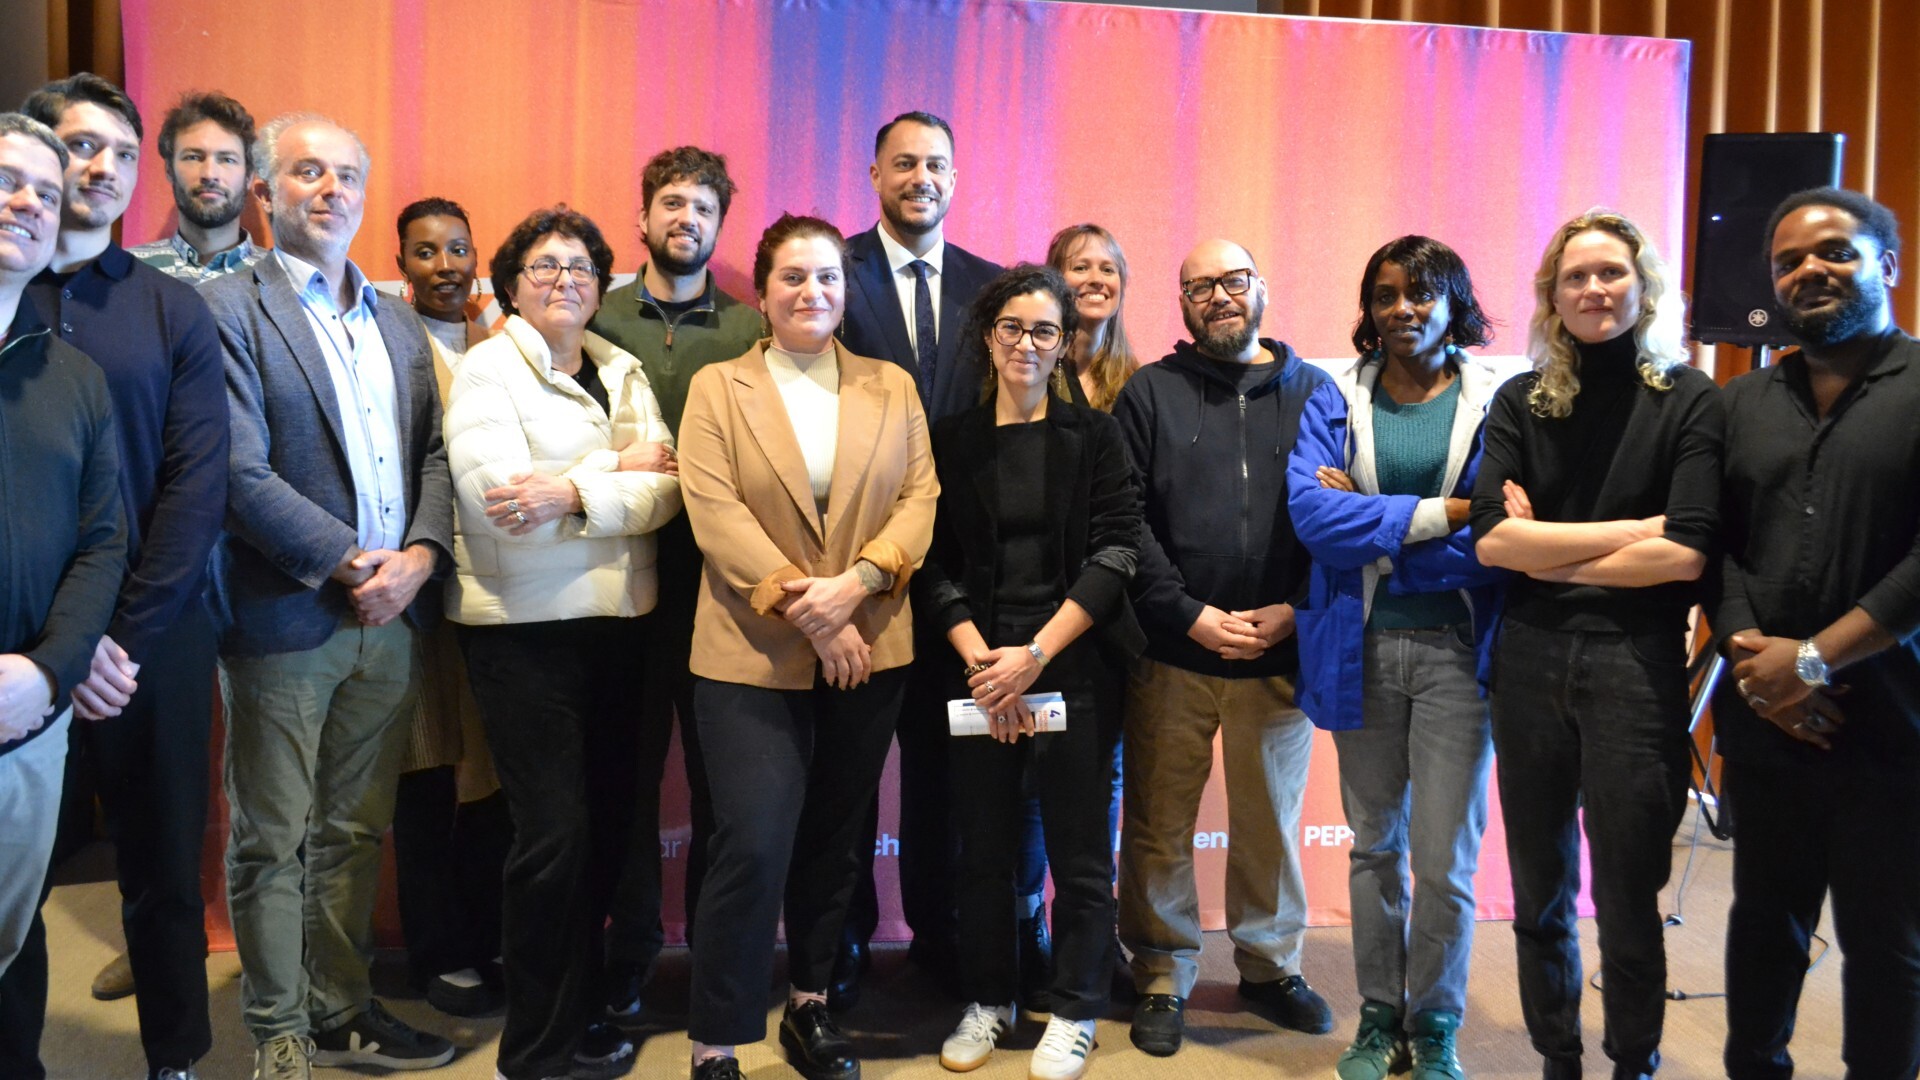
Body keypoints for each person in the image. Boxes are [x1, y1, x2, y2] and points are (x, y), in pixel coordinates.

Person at [200, 111, 456, 1080]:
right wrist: (357, 562)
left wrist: (422, 556)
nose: (331, 189)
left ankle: (342, 1006)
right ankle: (278, 1031)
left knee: (353, 830)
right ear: (266, 192)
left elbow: (435, 448)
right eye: (307, 172)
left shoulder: (393, 317)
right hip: (286, 616)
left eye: (347, 174)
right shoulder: (229, 309)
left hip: (391, 620)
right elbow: (237, 469)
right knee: (273, 839)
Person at [0, 74, 228, 1080]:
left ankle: (175, 1058)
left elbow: (194, 484)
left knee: (164, 871)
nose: (100, 169)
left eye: (122, 154)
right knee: (21, 884)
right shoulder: (12, 299)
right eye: (80, 148)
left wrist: (111, 641)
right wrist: (55, 654)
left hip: (149, 645)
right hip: (22, 652)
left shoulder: (171, 308)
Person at [678, 213, 937, 1080]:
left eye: (827, 276)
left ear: (846, 287)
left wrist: (856, 586)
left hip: (871, 641)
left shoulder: (890, 387)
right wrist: (814, 613)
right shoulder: (719, 387)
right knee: (752, 840)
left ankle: (811, 1002)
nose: (811, 292)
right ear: (763, 290)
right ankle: (718, 1035)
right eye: (792, 276)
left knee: (835, 837)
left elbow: (918, 500)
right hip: (752, 650)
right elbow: (715, 514)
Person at [1470, 209, 1723, 1080]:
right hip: (1530, 661)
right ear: (1552, 296)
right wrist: (1629, 534)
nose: (1594, 290)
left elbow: (1686, 552)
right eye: (1575, 277)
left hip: (1635, 667)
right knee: (1540, 891)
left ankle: (1633, 1059)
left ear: (1643, 285)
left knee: (1626, 894)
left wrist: (1557, 549)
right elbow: (1496, 544)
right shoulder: (1521, 400)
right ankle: (1559, 1055)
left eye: (1611, 272)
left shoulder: (1690, 399)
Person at [445, 203, 680, 1080]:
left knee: (608, 836)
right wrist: (614, 475)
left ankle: (583, 1016)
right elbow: (500, 505)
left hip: (623, 633)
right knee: (553, 840)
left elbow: (670, 491)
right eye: (544, 267)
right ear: (510, 285)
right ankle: (536, 1049)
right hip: (525, 638)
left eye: (581, 267)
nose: (565, 281)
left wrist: (575, 491)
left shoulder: (620, 369)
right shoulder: (485, 374)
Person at [1713, 187, 1920, 1079]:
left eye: (1834, 252)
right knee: (1763, 924)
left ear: (1888, 265)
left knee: (1891, 944)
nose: (1809, 271)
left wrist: (1812, 660)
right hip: (1765, 719)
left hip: (1896, 722)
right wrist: (1757, 666)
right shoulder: (1741, 400)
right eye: (1789, 261)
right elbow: (1712, 546)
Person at [1287, 236, 1506, 1079]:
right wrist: (1440, 511)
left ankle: (1438, 1019)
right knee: (1375, 846)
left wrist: (1376, 522)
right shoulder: (1332, 397)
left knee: (1446, 857)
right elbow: (1313, 521)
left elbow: (1492, 537)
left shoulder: (1496, 400)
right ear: (1368, 308)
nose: (1402, 309)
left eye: (1421, 293)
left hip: (1459, 652)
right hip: (1362, 649)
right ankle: (1379, 1015)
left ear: (1454, 302)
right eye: (1385, 294)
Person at [921, 264, 1143, 1080]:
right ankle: (990, 998)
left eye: (1044, 331)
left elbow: (1116, 553)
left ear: (1065, 346)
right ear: (989, 337)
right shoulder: (952, 439)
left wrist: (1035, 657)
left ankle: (1076, 1007)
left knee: (1082, 856)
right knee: (982, 850)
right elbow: (929, 564)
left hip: (1071, 666)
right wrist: (983, 660)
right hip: (977, 669)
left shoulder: (1098, 438)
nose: (1026, 343)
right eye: (1012, 327)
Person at [1114, 238, 1335, 1057]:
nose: (1218, 296)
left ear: (1261, 289)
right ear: (1181, 305)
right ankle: (1163, 973)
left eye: (1232, 280)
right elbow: (1126, 520)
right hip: (1175, 650)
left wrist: (1295, 608)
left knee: (1271, 823)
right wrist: (1188, 612)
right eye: (1199, 286)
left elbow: (1339, 516)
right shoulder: (1150, 393)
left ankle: (1271, 967)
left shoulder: (1316, 391)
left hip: (1280, 650)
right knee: (1160, 823)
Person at [835, 108, 1006, 1006]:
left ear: (955, 175)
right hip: (860, 566)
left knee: (947, 773)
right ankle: (847, 939)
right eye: (904, 163)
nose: (922, 178)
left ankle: (942, 935)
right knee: (853, 773)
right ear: (874, 174)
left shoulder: (992, 287)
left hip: (964, 579)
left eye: (937, 163)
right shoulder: (833, 274)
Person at [589, 145, 760, 1022]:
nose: (684, 219)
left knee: (723, 788)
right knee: (622, 782)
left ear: (718, 226)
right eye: (669, 204)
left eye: (701, 207)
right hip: (614, 594)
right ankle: (627, 957)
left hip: (721, 595)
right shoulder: (595, 315)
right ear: (643, 217)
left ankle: (712, 957)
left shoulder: (751, 329)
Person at [0, 111, 127, 992]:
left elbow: (102, 538)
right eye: (9, 180)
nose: (29, 203)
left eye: (48, 192)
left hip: (29, 720)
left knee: (8, 952)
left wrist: (51, 672)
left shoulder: (73, 376)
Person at [390, 196, 510, 1018]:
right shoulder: (382, 343)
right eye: (426, 252)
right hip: (417, 595)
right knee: (425, 779)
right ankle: (437, 950)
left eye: (458, 249)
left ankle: (491, 937)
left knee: (493, 780)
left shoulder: (502, 348)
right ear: (401, 265)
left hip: (499, 589)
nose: (445, 266)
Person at [128, 90, 267, 283]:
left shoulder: (280, 278)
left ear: (249, 176)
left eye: (227, 159)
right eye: (193, 157)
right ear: (169, 170)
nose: (210, 174)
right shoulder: (127, 271)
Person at [1046, 223, 1139, 411]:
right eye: (1081, 268)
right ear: (1054, 281)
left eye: (1108, 270)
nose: (1097, 280)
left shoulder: (1136, 384)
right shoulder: (1033, 374)